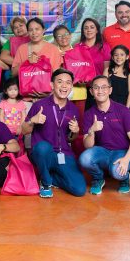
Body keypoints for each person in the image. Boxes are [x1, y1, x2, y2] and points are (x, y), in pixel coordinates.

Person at [23, 69, 85, 198]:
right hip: (44, 154)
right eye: (60, 82)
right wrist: (32, 121)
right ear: (52, 85)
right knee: (42, 147)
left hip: (64, 154)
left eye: (68, 83)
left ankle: (52, 177)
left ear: (71, 86)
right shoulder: (40, 105)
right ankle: (45, 183)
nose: (64, 86)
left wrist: (76, 131)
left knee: (79, 190)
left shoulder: (73, 109)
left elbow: (71, 138)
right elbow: (23, 131)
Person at [79, 75, 130, 195]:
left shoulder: (123, 111)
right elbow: (87, 146)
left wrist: (126, 159)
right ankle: (98, 178)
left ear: (110, 90)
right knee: (84, 159)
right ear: (91, 91)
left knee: (117, 173)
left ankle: (124, 178)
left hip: (122, 152)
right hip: (102, 151)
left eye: (104, 87)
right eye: (96, 88)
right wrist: (91, 131)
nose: (100, 91)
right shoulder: (89, 114)